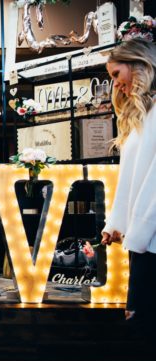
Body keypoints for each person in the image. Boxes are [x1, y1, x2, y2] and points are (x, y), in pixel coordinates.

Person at [101, 38, 156, 337]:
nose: (116, 85)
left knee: (142, 320)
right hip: (144, 238)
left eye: (116, 74)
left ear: (139, 65)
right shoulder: (143, 117)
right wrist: (118, 223)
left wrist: (139, 232)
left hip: (149, 237)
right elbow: (131, 177)